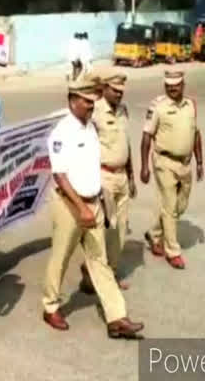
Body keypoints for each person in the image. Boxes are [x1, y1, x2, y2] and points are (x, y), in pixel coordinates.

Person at [42, 79, 143, 339]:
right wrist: (81, 209)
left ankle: (116, 317)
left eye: (93, 102)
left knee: (100, 262)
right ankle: (50, 306)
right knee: (61, 257)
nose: (91, 106)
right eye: (87, 102)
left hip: (93, 202)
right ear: (73, 100)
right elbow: (60, 177)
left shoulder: (90, 128)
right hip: (69, 205)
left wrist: (96, 202)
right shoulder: (62, 133)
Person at [78, 73, 135, 293]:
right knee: (103, 229)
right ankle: (97, 275)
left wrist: (131, 176)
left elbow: (126, 145)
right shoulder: (95, 111)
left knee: (120, 229)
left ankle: (108, 271)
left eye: (121, 90)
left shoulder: (123, 111)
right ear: (105, 89)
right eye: (115, 90)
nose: (119, 94)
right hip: (104, 177)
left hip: (121, 176)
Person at [141, 70, 203, 269]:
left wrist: (200, 162)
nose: (172, 88)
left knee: (179, 206)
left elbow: (196, 134)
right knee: (169, 205)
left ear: (183, 85)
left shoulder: (191, 105)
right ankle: (172, 251)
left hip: (185, 164)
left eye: (176, 85)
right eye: (168, 85)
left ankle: (154, 234)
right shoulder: (158, 106)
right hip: (164, 162)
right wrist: (144, 166)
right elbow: (146, 136)